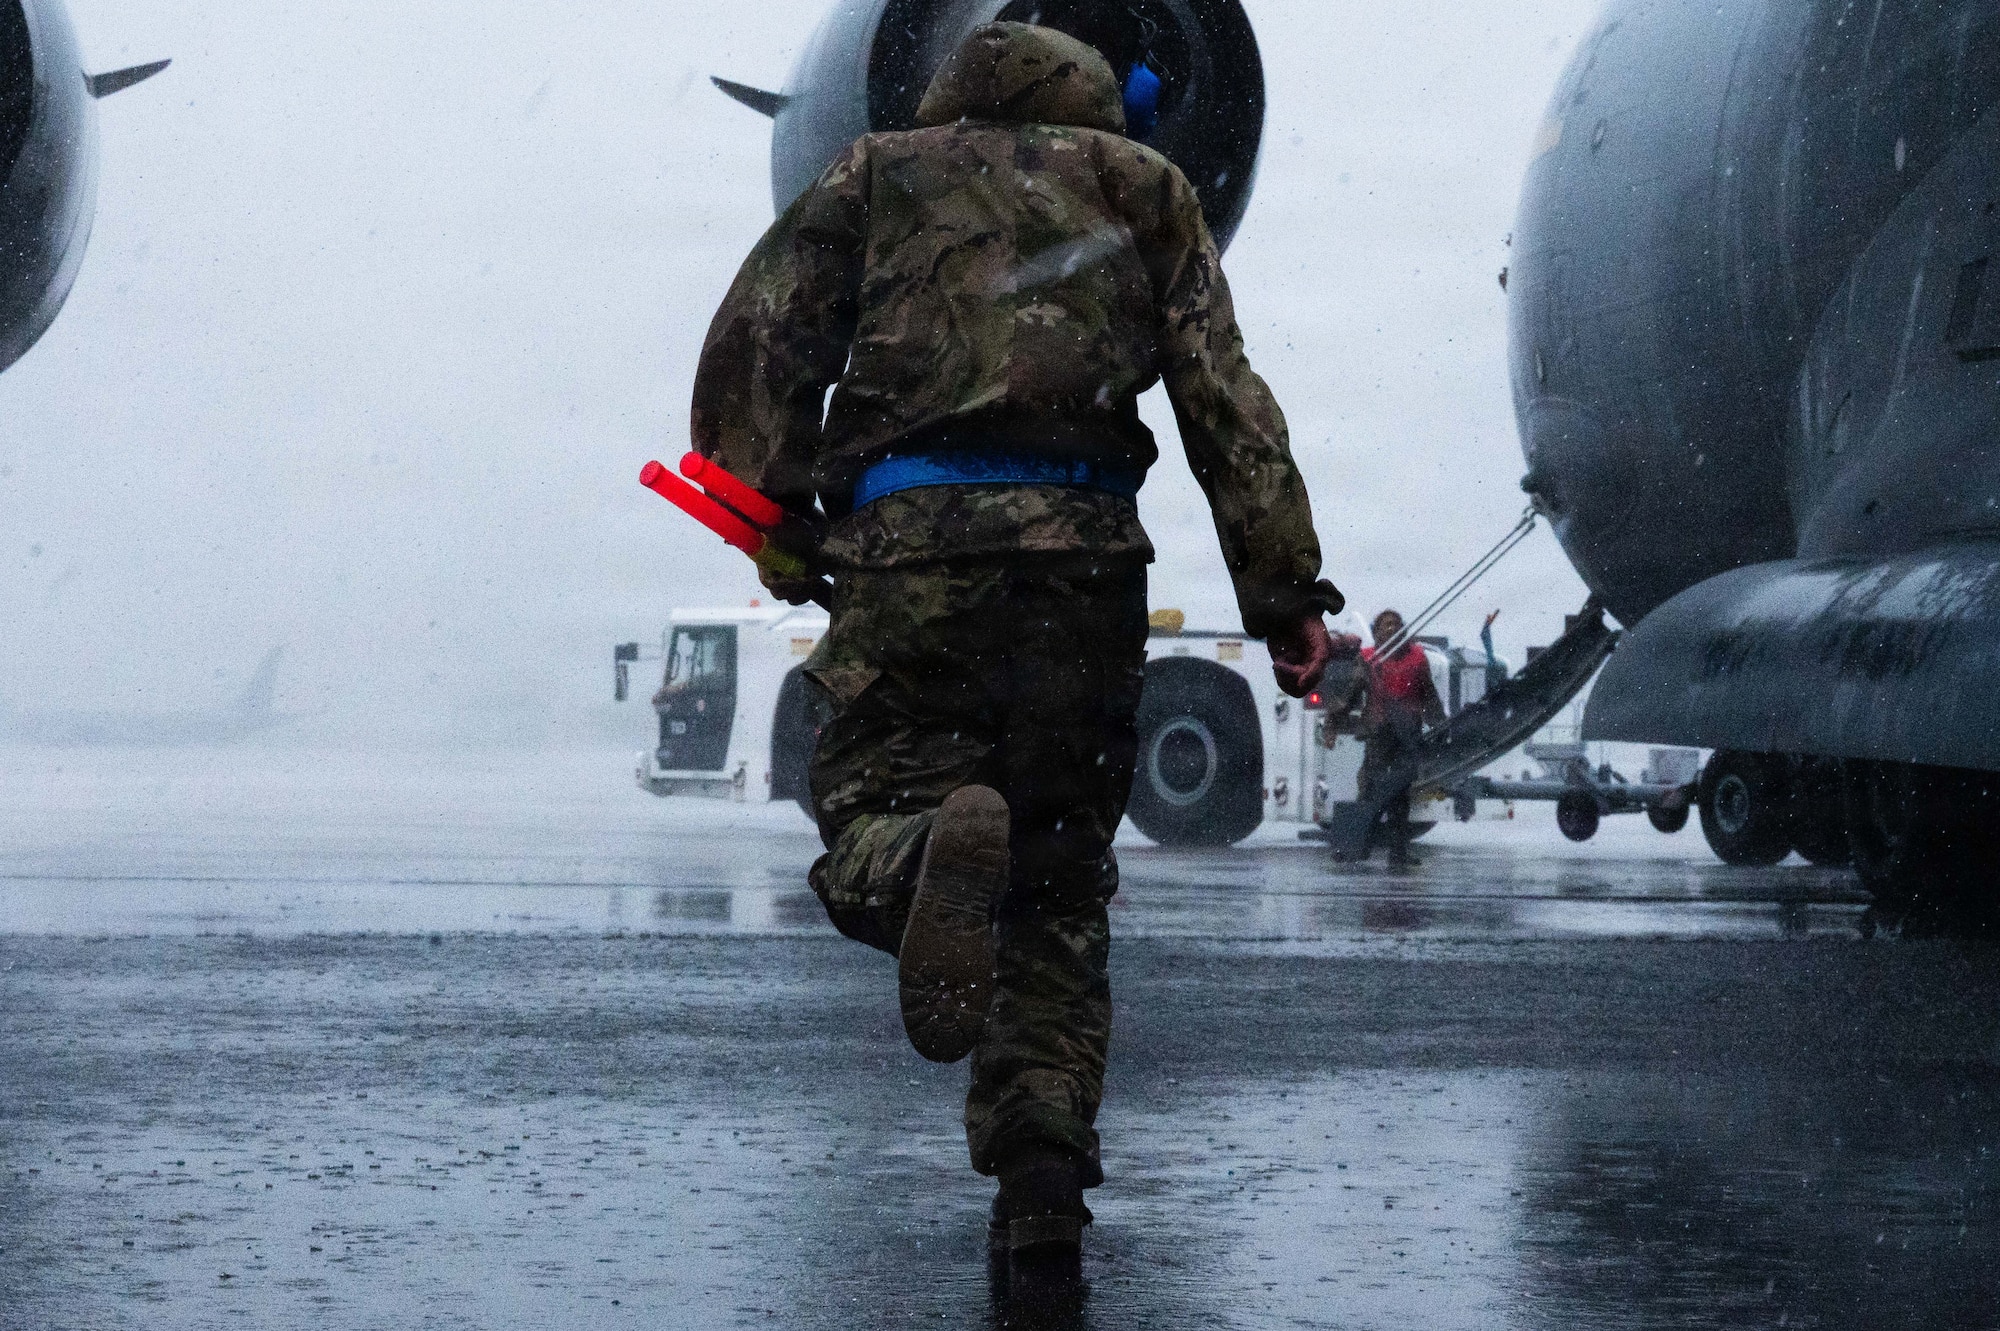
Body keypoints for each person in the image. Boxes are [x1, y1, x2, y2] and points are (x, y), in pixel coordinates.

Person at [687, 22, 1341, 1281]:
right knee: (1053, 884)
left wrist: (769, 520)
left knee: (866, 796)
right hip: (1083, 572)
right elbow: (1224, 400)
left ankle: (922, 852)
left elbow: (762, 335)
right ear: (1103, 93)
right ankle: (1040, 1183)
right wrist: (1284, 597)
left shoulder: (874, 172)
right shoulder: (1142, 188)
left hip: (911, 550)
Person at [1357, 609, 1446, 868]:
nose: (1389, 629)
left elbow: (1428, 694)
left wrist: (1439, 724)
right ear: (1375, 632)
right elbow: (1351, 694)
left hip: (1407, 735)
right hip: (1379, 734)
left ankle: (1398, 853)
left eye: (1394, 625)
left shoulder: (1418, 659)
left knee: (1400, 795)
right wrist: (1332, 724)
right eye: (1384, 626)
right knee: (1370, 791)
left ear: (1403, 631)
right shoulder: (1367, 660)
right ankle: (1356, 846)